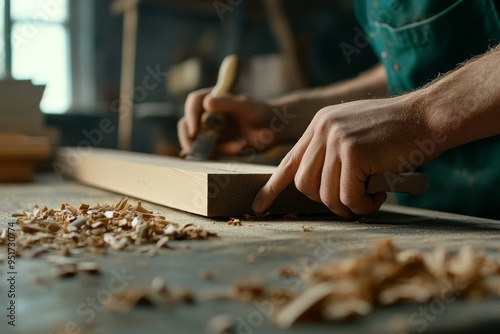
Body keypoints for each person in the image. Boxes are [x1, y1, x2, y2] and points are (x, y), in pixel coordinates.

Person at [178, 0, 500, 219]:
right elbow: (409, 70)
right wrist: (280, 118)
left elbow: (417, 103)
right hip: (443, 217)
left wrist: (422, 117)